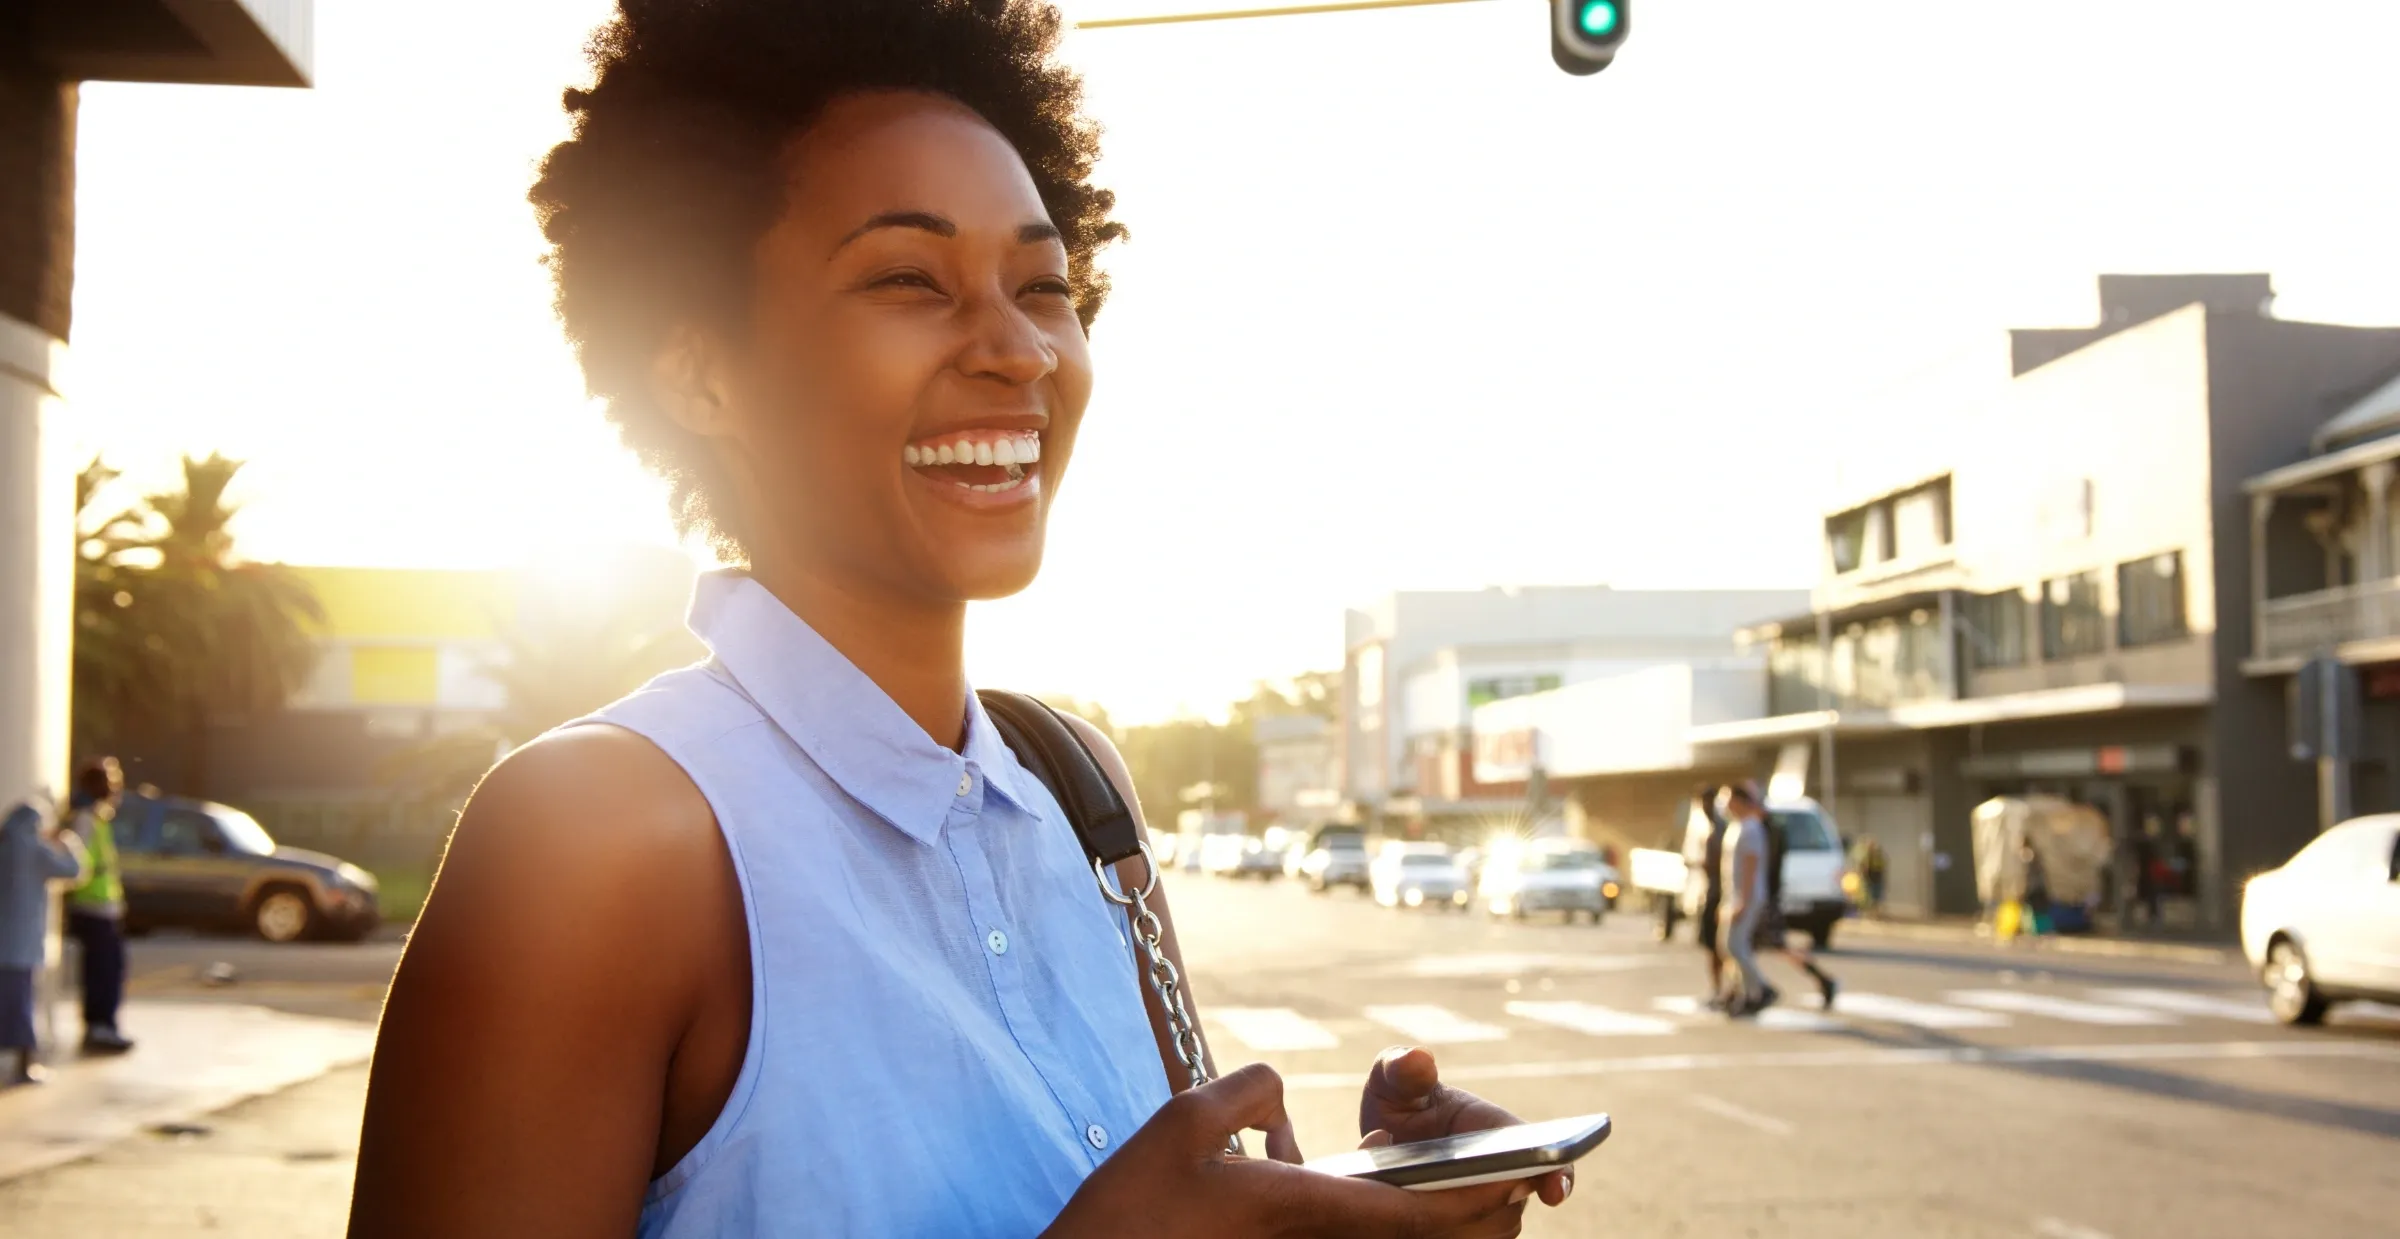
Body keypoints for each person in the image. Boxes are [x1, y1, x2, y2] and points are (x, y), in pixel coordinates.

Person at [349, 4, 1570, 1236]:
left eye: (1045, 284)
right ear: (701, 371)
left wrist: (1363, 1209)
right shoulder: (593, 844)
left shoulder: (1078, 784)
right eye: (909, 279)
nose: (1018, 350)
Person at [1716, 782, 1837, 1017]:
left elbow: (1756, 867)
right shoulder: (1749, 827)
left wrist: (1745, 899)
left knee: (1750, 946)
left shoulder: (1759, 828)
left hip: (1759, 899)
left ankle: (1757, 991)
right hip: (1755, 897)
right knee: (1743, 947)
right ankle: (1742, 993)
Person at [2, 794, 87, 1084]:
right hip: (22, 945)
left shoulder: (3, 848)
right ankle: (24, 1065)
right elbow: (73, 871)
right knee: (22, 1006)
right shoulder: (35, 850)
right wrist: (67, 843)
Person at [63, 759, 132, 1055]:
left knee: (111, 969)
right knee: (102, 971)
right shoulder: (86, 820)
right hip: (92, 909)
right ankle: (99, 1026)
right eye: (112, 783)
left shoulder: (99, 820)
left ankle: (105, 1024)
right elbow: (79, 867)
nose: (116, 789)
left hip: (105, 909)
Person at [1681, 785, 1730, 1009]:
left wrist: (1696, 862)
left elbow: (1716, 864)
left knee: (1721, 946)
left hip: (1719, 894)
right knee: (1715, 946)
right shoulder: (1714, 827)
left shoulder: (1719, 829)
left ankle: (1724, 989)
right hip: (1714, 892)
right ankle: (1719, 988)